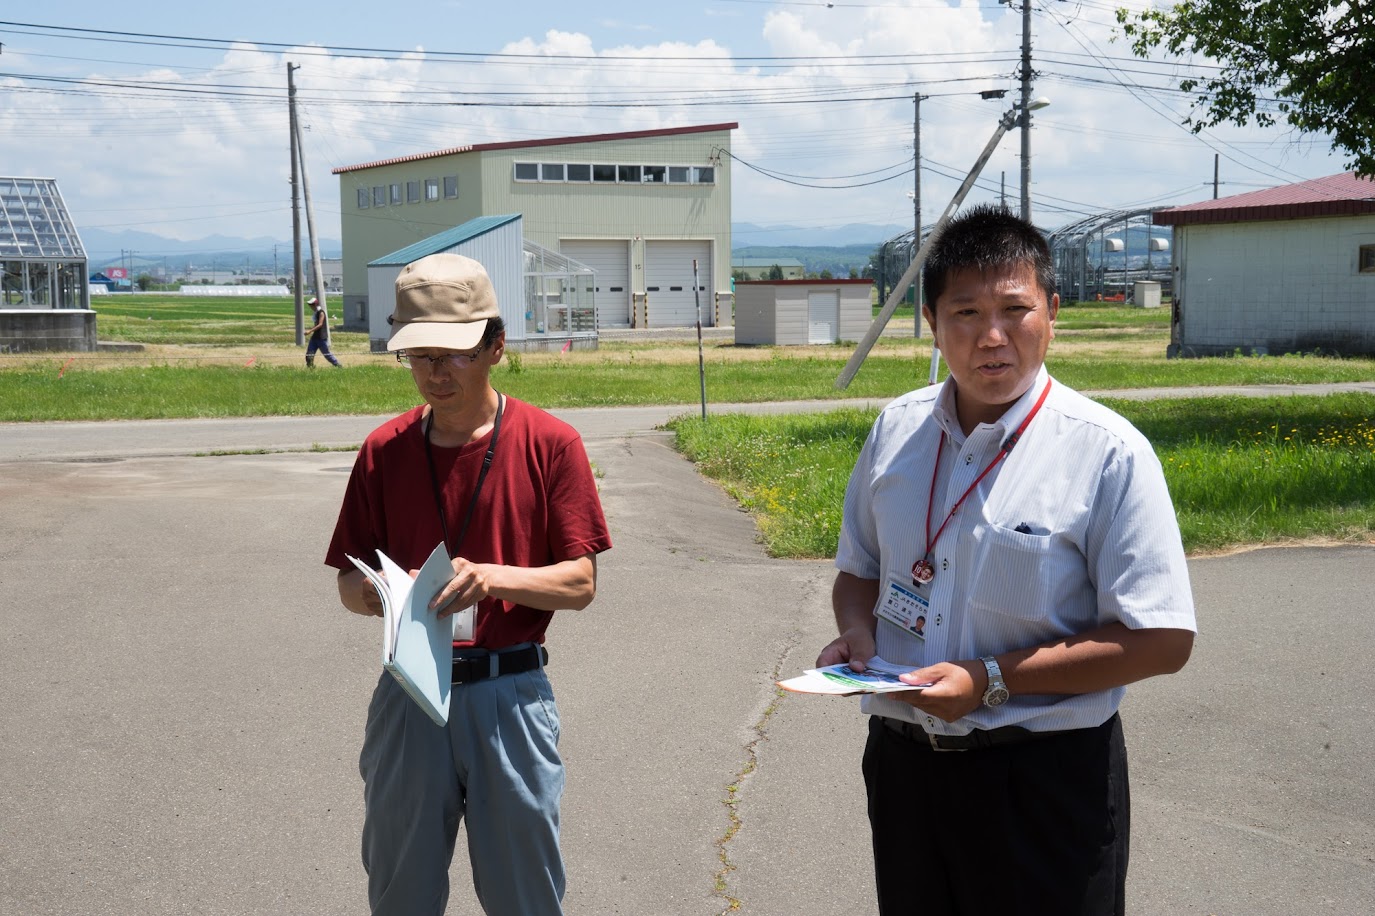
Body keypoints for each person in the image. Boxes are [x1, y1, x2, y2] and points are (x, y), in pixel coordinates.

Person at [817, 204, 1196, 916]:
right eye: (963, 312)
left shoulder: (1105, 452)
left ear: (1051, 312)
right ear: (931, 322)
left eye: (1014, 309)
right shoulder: (896, 430)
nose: (990, 337)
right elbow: (859, 570)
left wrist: (986, 681)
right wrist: (858, 634)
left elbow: (1162, 639)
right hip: (905, 769)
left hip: (1043, 781)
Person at [325, 253, 612, 916]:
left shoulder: (549, 443)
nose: (434, 372)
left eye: (451, 353)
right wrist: (372, 595)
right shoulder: (383, 450)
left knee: (524, 894)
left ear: (496, 345)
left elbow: (580, 582)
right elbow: (346, 581)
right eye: (418, 354)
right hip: (409, 694)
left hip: (507, 695)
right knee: (400, 889)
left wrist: (492, 579)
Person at [305, 295, 342, 367]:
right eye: (310, 305)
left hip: (321, 337)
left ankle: (338, 365)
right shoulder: (315, 313)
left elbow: (320, 324)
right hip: (314, 337)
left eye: (311, 304)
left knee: (327, 355)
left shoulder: (321, 312)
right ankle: (310, 369)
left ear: (315, 304)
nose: (310, 306)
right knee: (309, 354)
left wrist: (310, 331)